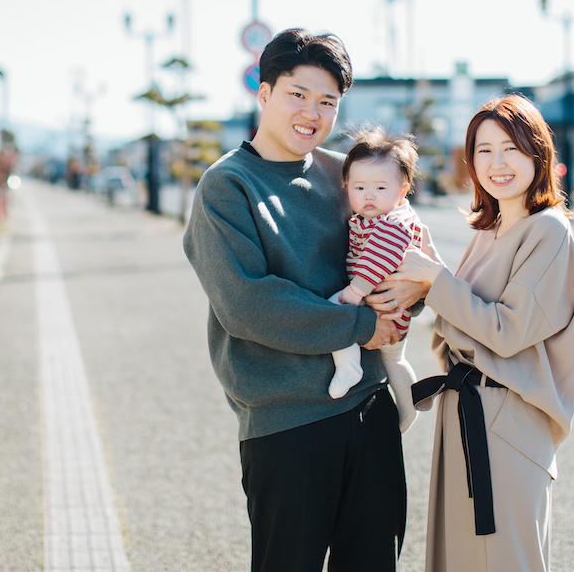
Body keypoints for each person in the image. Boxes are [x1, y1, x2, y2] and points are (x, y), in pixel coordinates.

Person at [182, 28, 430, 572]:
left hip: (369, 405)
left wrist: (411, 296)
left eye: (327, 102)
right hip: (286, 423)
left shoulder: (347, 174)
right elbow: (247, 305)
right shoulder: (227, 186)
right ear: (264, 93)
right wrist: (364, 327)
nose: (311, 112)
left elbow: (406, 252)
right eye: (297, 94)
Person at [388, 94, 574, 572]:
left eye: (511, 148)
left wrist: (436, 282)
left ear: (537, 154)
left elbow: (506, 330)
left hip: (509, 422)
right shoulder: (490, 228)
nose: (497, 163)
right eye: (483, 150)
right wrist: (428, 287)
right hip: (466, 413)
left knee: (503, 560)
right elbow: (456, 328)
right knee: (460, 559)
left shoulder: (547, 231)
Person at [327, 126, 424, 433]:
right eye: (359, 188)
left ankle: (348, 365)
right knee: (394, 361)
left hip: (381, 306)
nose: (369, 196)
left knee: (334, 307)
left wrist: (355, 291)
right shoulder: (378, 217)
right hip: (395, 311)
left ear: (402, 190)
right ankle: (410, 407)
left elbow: (377, 259)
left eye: (381, 189)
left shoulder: (393, 223)